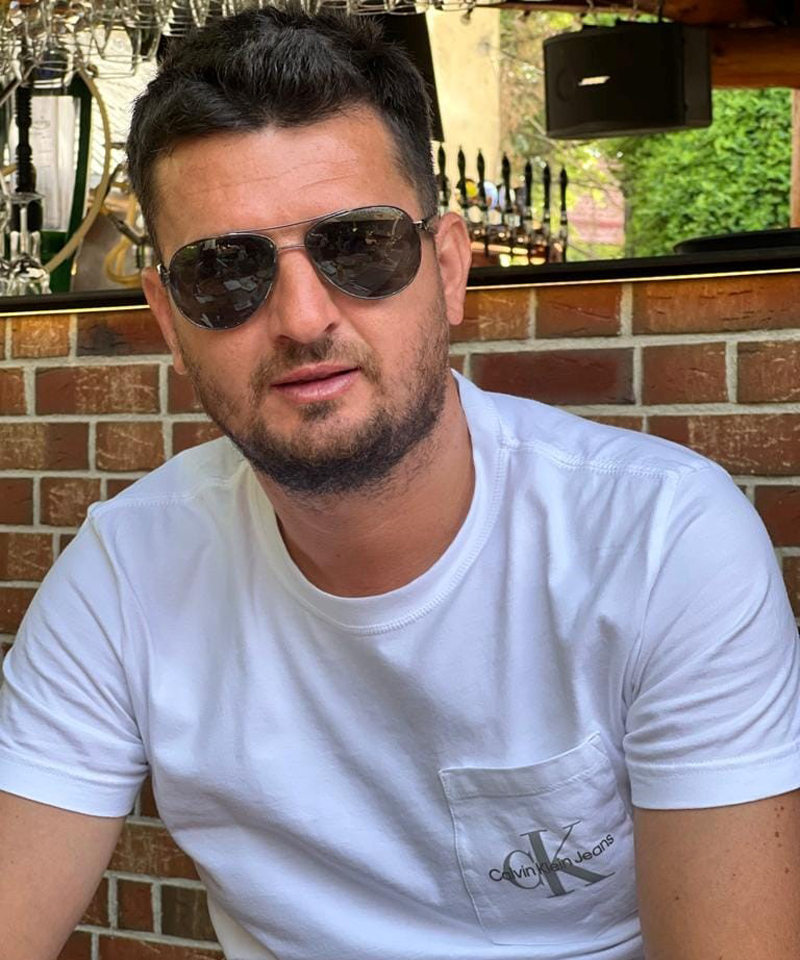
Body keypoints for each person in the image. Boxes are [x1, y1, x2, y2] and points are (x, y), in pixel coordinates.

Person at [1, 6, 799, 960]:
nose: (303, 317)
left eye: (359, 246)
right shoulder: (128, 572)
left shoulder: (662, 543)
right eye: (224, 271)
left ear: (450, 269)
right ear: (170, 322)